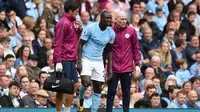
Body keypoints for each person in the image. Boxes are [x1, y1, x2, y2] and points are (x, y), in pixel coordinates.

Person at [77, 10, 115, 112]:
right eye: (107, 18)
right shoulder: (90, 28)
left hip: (98, 61)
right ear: (101, 18)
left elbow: (110, 52)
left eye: (110, 18)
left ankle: (93, 111)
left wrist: (110, 69)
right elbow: (80, 44)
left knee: (98, 88)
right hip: (86, 59)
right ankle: (80, 98)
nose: (109, 20)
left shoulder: (111, 33)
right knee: (86, 83)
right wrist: (79, 61)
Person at [106, 11, 140, 112]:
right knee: (111, 92)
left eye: (125, 19)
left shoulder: (131, 31)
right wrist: (104, 65)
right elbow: (105, 50)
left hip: (127, 67)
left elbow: (136, 48)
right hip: (113, 68)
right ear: (115, 19)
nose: (124, 21)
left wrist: (137, 63)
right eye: (121, 19)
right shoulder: (110, 31)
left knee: (126, 93)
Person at [53, 1, 81, 112]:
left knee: (73, 86)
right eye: (76, 12)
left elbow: (73, 39)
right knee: (61, 88)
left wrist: (79, 30)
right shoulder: (63, 23)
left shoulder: (73, 22)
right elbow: (58, 42)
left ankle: (67, 110)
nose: (77, 14)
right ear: (70, 11)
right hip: (63, 59)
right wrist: (59, 61)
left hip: (71, 58)